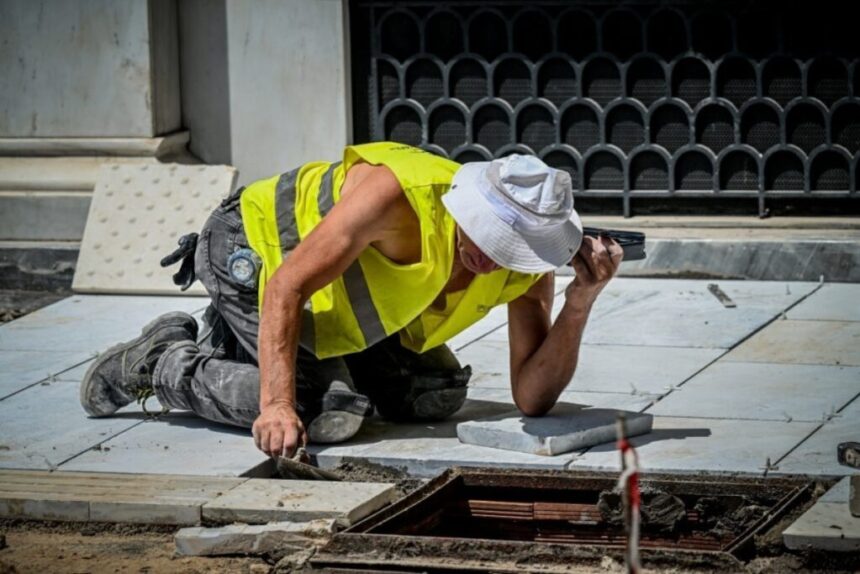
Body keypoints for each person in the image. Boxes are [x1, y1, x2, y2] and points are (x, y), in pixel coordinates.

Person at [79, 142, 623, 459]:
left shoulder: (527, 267)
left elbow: (532, 399)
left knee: (434, 393)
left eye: (508, 250)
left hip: (329, 293)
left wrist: (580, 301)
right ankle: (163, 362)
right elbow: (287, 284)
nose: (489, 258)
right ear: (470, 205)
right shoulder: (398, 198)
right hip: (252, 247)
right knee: (324, 412)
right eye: (486, 235)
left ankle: (254, 348)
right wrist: (276, 404)